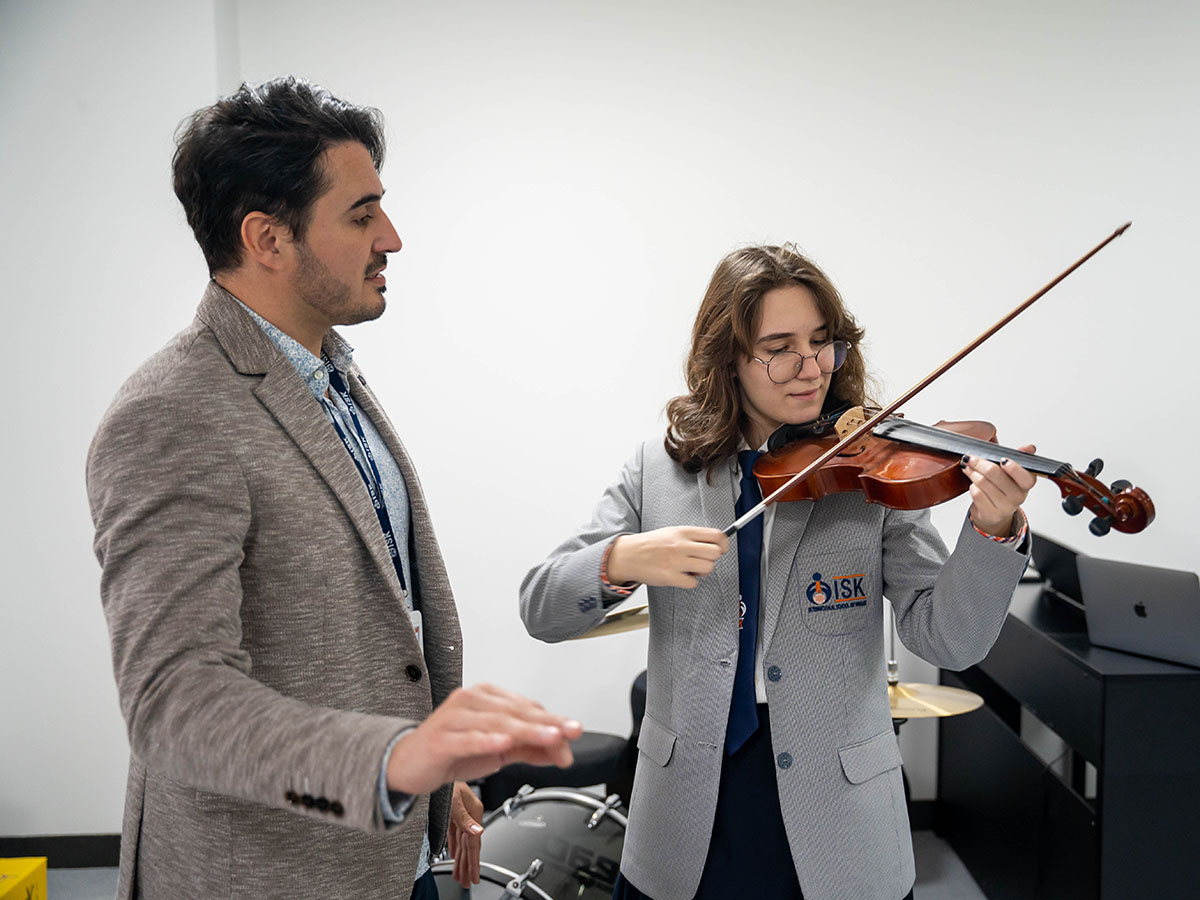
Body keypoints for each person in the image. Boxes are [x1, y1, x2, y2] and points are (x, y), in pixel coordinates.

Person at [87, 76, 581, 900]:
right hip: (266, 874)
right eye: (361, 214)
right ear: (268, 239)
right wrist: (392, 759)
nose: (392, 236)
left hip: (389, 850)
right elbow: (174, 699)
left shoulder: (331, 376)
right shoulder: (169, 415)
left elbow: (368, 628)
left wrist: (424, 782)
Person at [519, 244, 1036, 900]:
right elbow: (542, 606)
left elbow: (948, 640)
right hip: (687, 815)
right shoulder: (657, 470)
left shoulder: (872, 468)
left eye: (822, 342)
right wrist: (623, 560)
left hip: (839, 818)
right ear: (728, 357)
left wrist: (992, 533)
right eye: (780, 346)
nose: (811, 367)